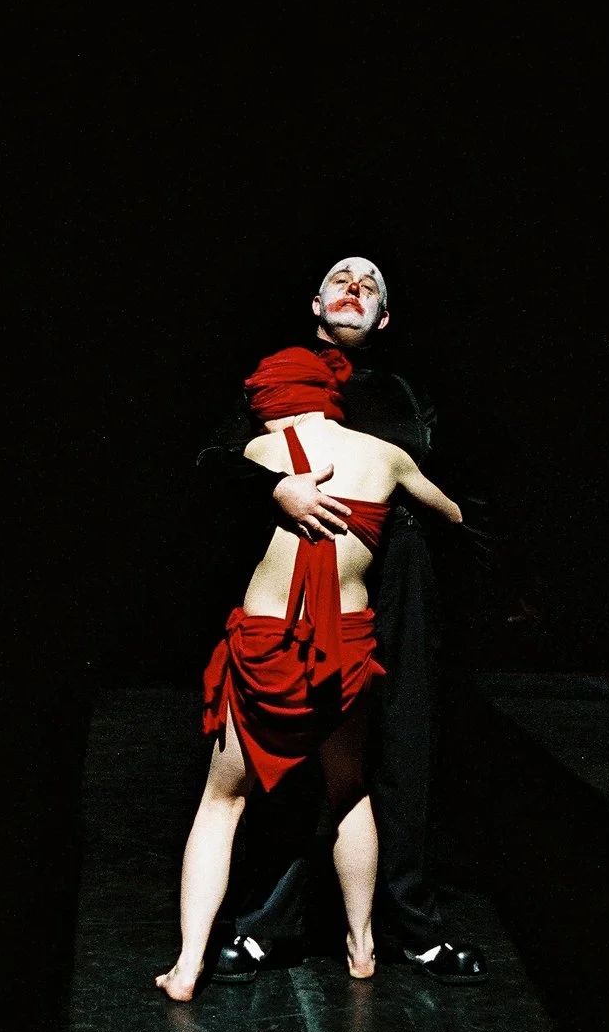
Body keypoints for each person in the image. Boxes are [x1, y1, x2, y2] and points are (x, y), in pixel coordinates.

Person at [194, 258, 489, 984]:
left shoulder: (407, 391)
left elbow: (450, 493)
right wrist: (277, 489)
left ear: (383, 317)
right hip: (302, 576)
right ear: (315, 303)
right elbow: (212, 462)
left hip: (400, 579)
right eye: (341, 278)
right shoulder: (280, 379)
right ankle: (270, 924)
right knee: (294, 755)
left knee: (401, 751)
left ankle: (412, 929)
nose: (354, 286)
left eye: (370, 285)